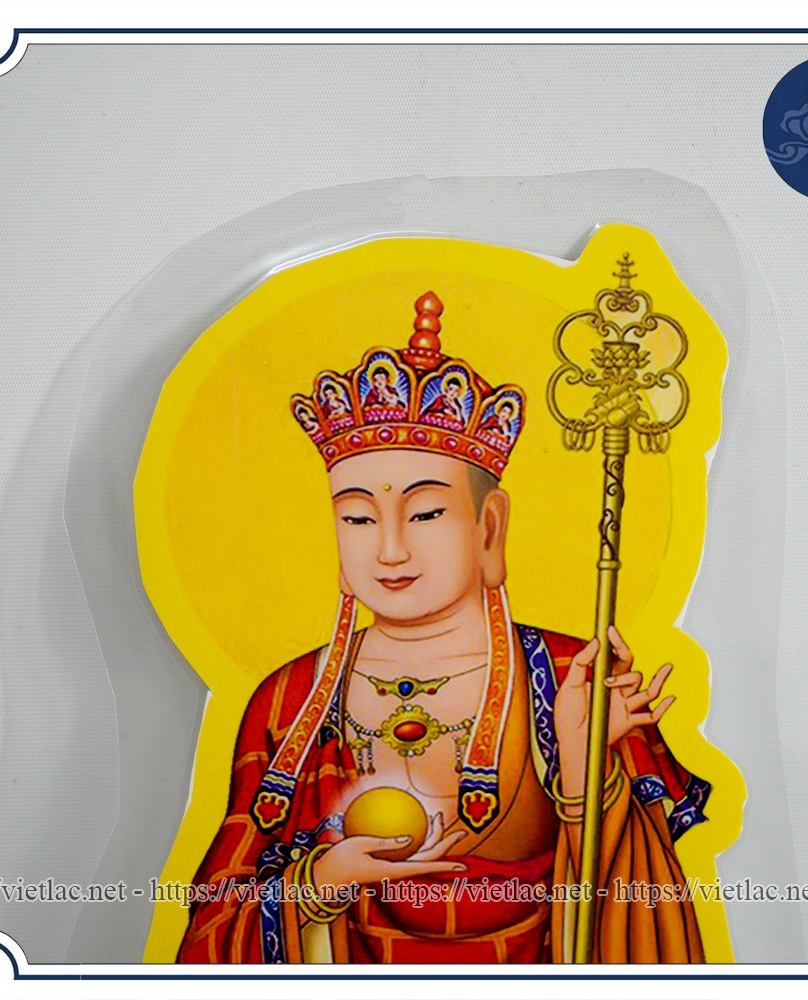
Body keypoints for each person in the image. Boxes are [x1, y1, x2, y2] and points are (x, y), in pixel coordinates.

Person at [177, 291, 709, 965]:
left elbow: (646, 915)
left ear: (490, 530)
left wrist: (584, 777)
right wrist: (313, 887)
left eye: (426, 514)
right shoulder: (289, 702)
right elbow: (215, 917)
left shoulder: (572, 683)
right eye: (357, 519)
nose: (390, 549)